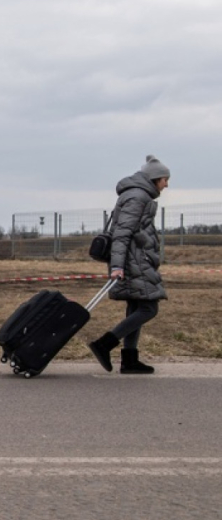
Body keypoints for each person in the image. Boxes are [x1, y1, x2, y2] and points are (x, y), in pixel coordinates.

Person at [87, 155, 170, 374]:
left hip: (136, 260)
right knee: (149, 308)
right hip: (134, 262)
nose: (166, 184)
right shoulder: (137, 197)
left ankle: (129, 360)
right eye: (164, 179)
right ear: (154, 178)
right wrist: (117, 266)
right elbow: (121, 234)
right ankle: (104, 344)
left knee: (136, 306)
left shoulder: (138, 195)